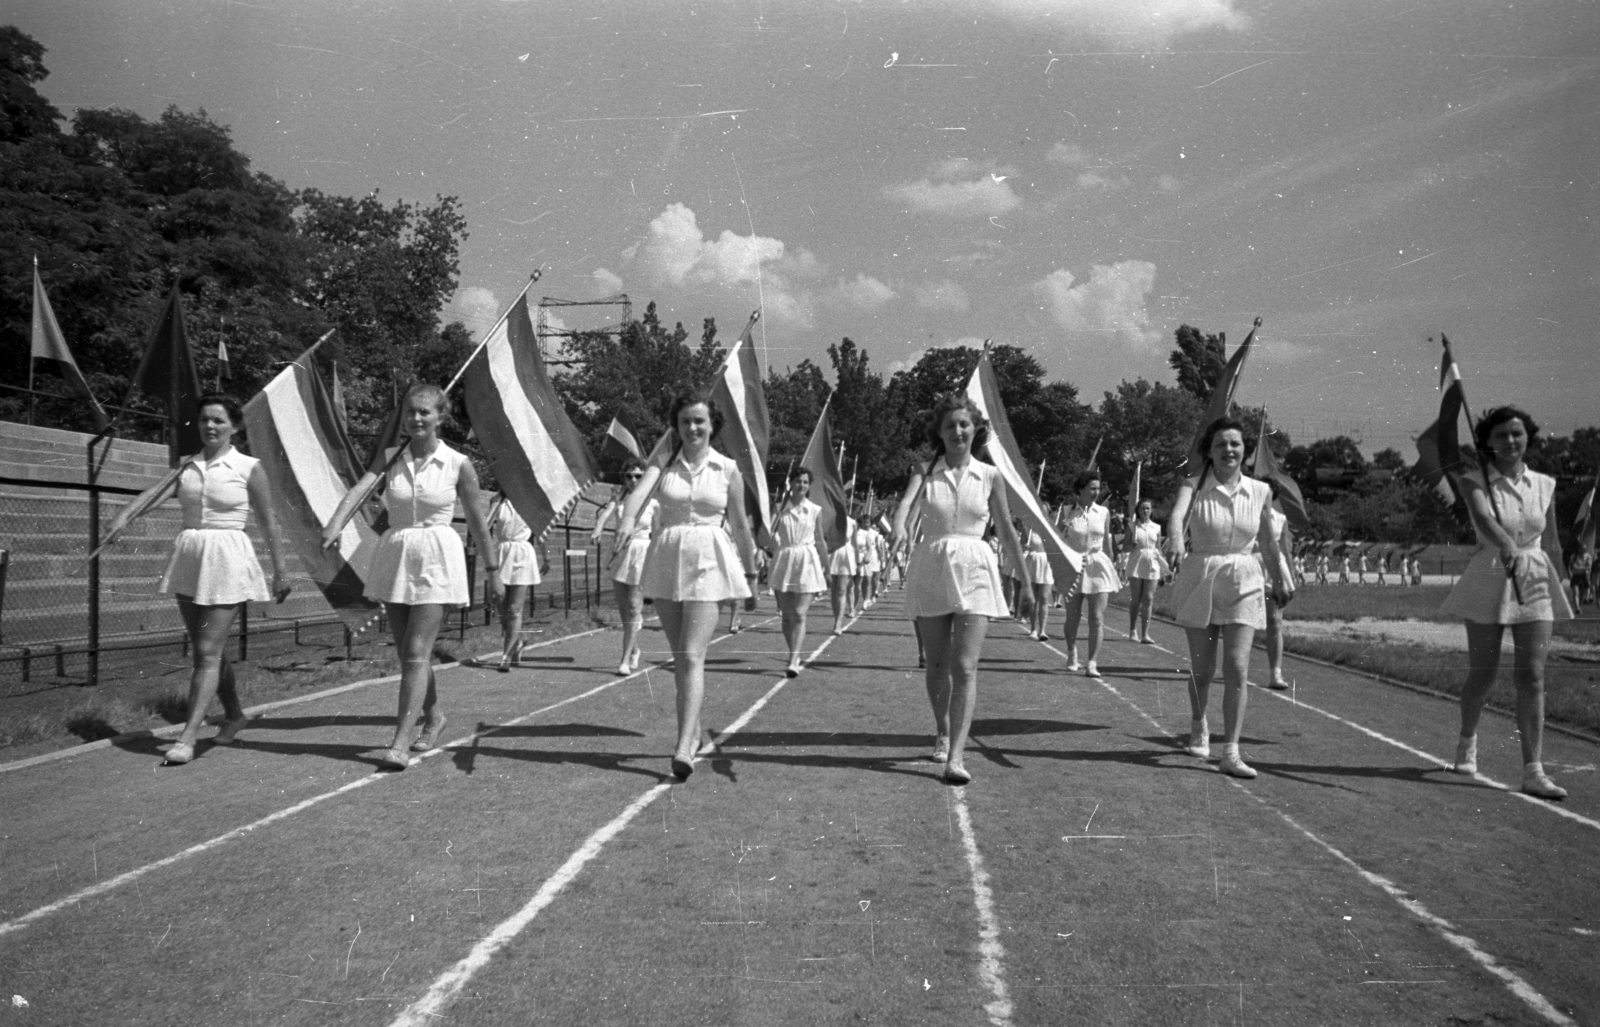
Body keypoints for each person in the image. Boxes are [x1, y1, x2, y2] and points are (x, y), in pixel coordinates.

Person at [324, 384, 499, 770]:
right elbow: (362, 487)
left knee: (417, 650)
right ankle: (434, 716)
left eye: (424, 412)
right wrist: (336, 523)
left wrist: (493, 571)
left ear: (441, 416)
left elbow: (477, 523)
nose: (416, 419)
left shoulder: (458, 463)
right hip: (397, 554)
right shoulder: (390, 458)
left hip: (437, 556)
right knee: (408, 652)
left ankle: (400, 741)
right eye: (410, 412)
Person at [112, 394, 291, 765]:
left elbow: (268, 520)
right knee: (207, 649)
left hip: (226, 558)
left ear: (235, 427)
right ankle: (235, 713)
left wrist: (281, 569)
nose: (210, 427)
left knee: (206, 653)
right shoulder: (186, 466)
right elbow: (154, 494)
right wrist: (124, 516)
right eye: (206, 420)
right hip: (190, 556)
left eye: (219, 421)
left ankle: (188, 737)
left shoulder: (248, 467)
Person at [618, 391, 758, 781]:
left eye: (699, 421)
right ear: (675, 427)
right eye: (684, 422)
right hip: (668, 558)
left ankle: (683, 745)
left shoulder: (727, 469)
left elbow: (742, 526)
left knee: (693, 656)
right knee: (680, 657)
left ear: (712, 425)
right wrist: (627, 523)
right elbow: (638, 496)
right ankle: (692, 730)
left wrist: (751, 575)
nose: (692, 428)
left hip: (710, 558)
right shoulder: (662, 464)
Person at [891, 394, 1029, 784]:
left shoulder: (990, 476)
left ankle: (956, 755)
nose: (957, 431)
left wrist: (1027, 584)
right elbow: (905, 506)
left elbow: (1006, 530)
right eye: (950, 425)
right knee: (936, 663)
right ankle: (942, 729)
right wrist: (900, 527)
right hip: (932, 564)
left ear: (976, 430)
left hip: (976, 568)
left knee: (965, 666)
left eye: (964, 424)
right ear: (939, 431)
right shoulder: (924, 470)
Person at [1440, 406, 1573, 800]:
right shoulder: (1473, 480)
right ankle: (1467, 742)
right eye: (1501, 435)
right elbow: (1484, 519)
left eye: (1517, 434)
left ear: (1527, 436)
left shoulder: (1545, 484)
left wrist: (1563, 571)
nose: (1510, 441)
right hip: (1489, 575)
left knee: (1532, 675)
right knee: (1484, 673)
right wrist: (1507, 545)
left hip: (1534, 576)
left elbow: (1550, 538)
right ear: (1488, 442)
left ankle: (1533, 770)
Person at [1165, 417, 1293, 779]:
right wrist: (1176, 540)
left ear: (1245, 451)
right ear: (1209, 451)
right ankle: (1198, 722)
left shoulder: (1259, 491)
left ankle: (1231, 752)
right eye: (1221, 444)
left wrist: (1280, 579)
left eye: (1235, 444)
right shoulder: (1193, 485)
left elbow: (1268, 542)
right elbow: (1176, 518)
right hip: (1202, 576)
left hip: (1244, 579)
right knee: (1203, 670)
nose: (1229, 450)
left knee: (1236, 668)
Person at [592, 460, 657, 674]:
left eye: (638, 476)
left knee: (632, 607)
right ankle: (635, 648)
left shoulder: (652, 503)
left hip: (641, 551)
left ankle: (624, 660)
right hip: (620, 552)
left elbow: (657, 533)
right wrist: (598, 529)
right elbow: (605, 515)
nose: (633, 480)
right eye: (629, 476)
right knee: (623, 609)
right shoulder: (619, 498)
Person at [769, 467, 830, 676]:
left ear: (808, 485)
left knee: (799, 613)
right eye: (797, 481)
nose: (801, 485)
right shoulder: (779, 508)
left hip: (807, 560)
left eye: (804, 482)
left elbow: (820, 540)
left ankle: (793, 658)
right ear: (790, 483)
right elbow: (767, 535)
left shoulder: (815, 510)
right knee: (786, 616)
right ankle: (793, 652)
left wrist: (827, 568)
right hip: (785, 559)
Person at [1060, 473, 1119, 677]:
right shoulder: (1067, 511)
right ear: (1081, 489)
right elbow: (1056, 541)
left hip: (1097, 565)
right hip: (1074, 565)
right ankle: (1071, 652)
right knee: (1072, 617)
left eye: (1098, 488)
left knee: (1096, 617)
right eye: (1092, 488)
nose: (1096, 492)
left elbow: (1108, 543)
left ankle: (1092, 662)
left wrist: (1113, 564)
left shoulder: (1103, 512)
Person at [487, 493, 546, 672]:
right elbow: (485, 525)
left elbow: (540, 531)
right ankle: (518, 642)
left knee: (514, 609)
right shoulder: (496, 501)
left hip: (522, 553)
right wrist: (496, 504)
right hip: (502, 553)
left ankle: (506, 654)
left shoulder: (531, 502)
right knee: (499, 603)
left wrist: (547, 558)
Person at [1257, 480, 1294, 691]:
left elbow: (1285, 550)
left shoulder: (1280, 519)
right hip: (1250, 568)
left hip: (1274, 571)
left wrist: (1291, 579)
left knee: (1275, 622)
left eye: (1267, 494)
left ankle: (1275, 673)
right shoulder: (1247, 515)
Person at [1124, 498, 1167, 644]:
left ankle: (1145, 634)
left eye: (1148, 508)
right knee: (1136, 598)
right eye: (1142, 508)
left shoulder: (1156, 527)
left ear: (1151, 510)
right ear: (1138, 510)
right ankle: (1132, 630)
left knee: (1148, 598)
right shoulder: (1132, 526)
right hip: (1137, 561)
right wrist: (1132, 545)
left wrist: (1163, 567)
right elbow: (1124, 547)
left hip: (1152, 563)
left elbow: (1159, 549)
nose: (1145, 511)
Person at [1022, 520, 1055, 641]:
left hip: (1047, 563)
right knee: (1033, 599)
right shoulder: (1028, 529)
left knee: (1044, 598)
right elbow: (1021, 545)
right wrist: (1024, 547)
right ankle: (1033, 629)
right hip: (1033, 563)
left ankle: (1043, 631)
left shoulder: (1051, 530)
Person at [828, 513, 858, 634]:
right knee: (834, 590)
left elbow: (854, 543)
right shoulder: (829, 520)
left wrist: (858, 562)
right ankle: (836, 618)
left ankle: (838, 623)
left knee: (841, 590)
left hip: (846, 555)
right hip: (832, 554)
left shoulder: (852, 522)